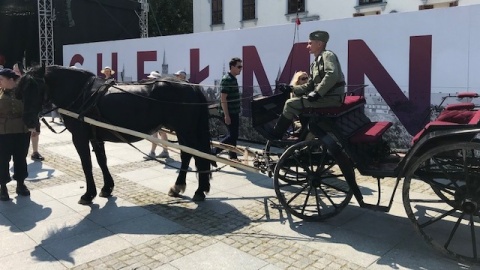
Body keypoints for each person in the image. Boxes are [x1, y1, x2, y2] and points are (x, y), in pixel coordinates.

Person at [266, 30, 345, 140]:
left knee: (290, 104)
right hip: (326, 97)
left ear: (319, 44)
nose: (307, 46)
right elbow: (309, 85)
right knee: (301, 101)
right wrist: (291, 88)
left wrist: (317, 93)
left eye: (310, 43)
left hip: (331, 98)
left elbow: (332, 75)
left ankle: (276, 134)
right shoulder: (315, 62)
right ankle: (304, 130)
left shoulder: (327, 55)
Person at [0, 68, 32, 200]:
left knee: (20, 158)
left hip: (21, 131)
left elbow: (32, 110)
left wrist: (35, 127)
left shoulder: (24, 93)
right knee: (2, 160)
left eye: (1, 79)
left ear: (11, 80)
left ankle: (21, 184)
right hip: (3, 132)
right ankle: (3, 187)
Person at [13, 62, 45, 161]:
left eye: (19, 70)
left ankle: (35, 152)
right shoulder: (10, 81)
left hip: (30, 112)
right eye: (16, 70)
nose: (18, 72)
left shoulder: (28, 81)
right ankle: (16, 153)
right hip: (16, 114)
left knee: (35, 133)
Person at [213, 57, 242, 160]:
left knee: (233, 135)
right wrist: (226, 115)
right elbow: (223, 98)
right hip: (229, 112)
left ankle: (233, 156)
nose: (240, 69)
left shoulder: (233, 78)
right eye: (239, 66)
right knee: (232, 136)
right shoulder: (227, 79)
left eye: (241, 66)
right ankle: (214, 151)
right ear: (232, 67)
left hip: (234, 111)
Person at [143, 71, 170, 159]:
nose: (149, 80)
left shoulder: (155, 90)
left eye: (151, 79)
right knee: (162, 134)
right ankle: (164, 151)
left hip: (157, 116)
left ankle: (152, 153)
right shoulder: (161, 90)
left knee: (156, 134)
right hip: (161, 116)